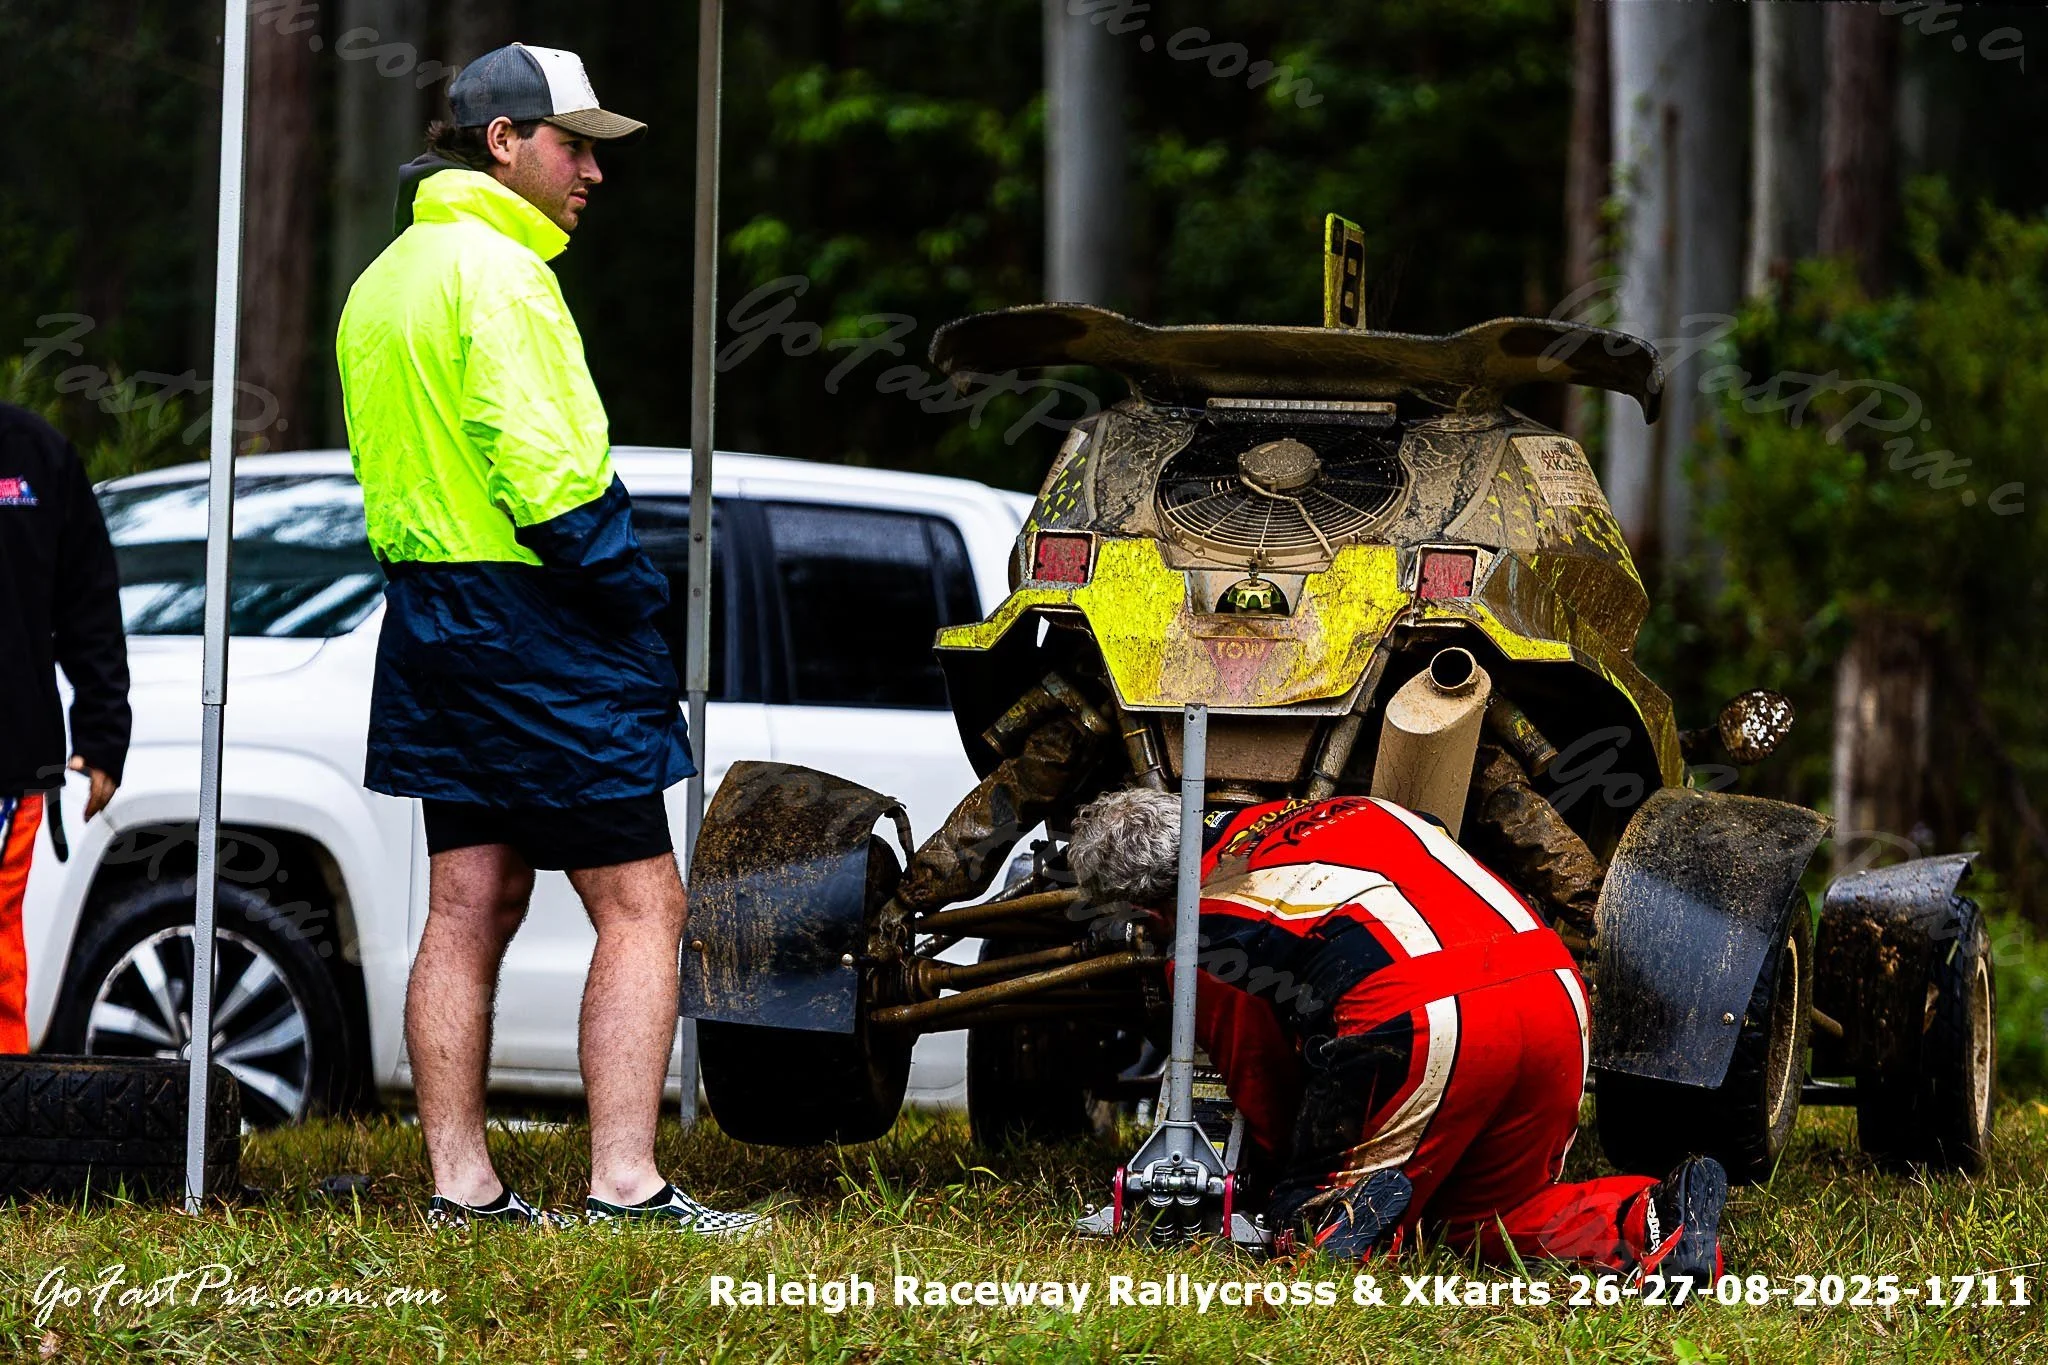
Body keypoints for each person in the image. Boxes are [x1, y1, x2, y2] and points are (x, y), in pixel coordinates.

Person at [336, 43, 759, 1234]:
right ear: (501, 143)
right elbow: (551, 478)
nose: (592, 171)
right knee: (644, 906)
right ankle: (626, 1185)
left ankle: (459, 1187)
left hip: (427, 614)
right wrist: (633, 594)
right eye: (572, 144)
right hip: (538, 617)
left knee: (467, 904)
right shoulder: (506, 278)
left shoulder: (386, 279)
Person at [1066, 787, 1726, 1284]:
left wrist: (1288, 1175)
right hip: (1554, 993)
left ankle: (1340, 1217)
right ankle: (1652, 1216)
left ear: (1144, 908)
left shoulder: (1200, 934)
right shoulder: (1352, 804)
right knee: (1483, 1221)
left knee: (1302, 1234)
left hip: (1432, 1017)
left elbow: (1264, 1089)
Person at [0, 402, 128, 1054]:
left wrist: (103, 730)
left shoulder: (37, 455)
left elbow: (89, 604)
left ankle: (12, 1137)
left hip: (10, 757)